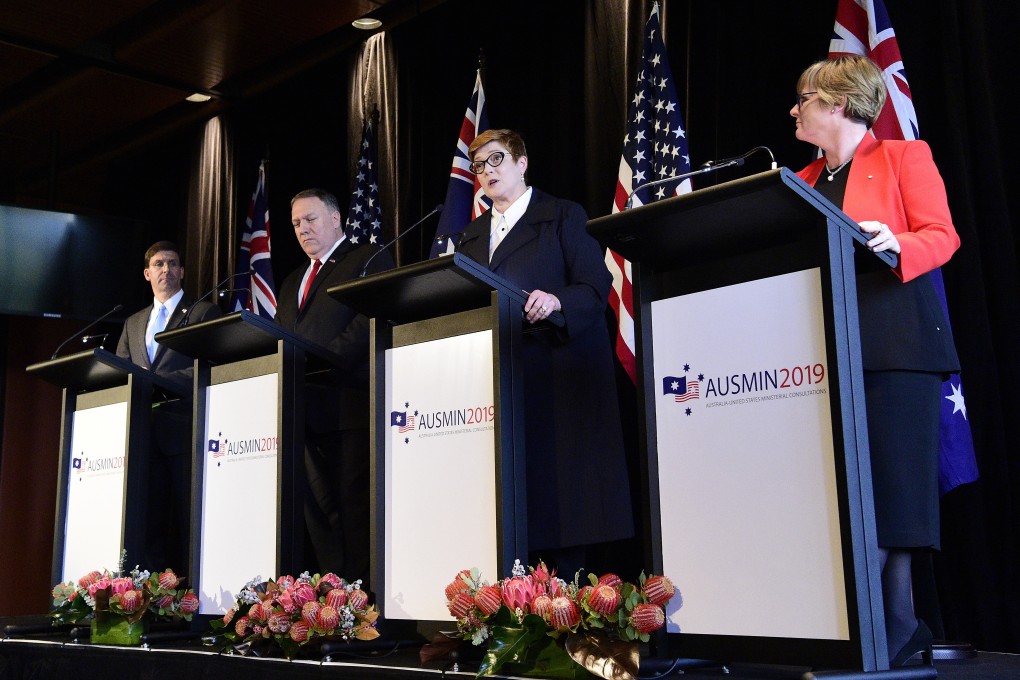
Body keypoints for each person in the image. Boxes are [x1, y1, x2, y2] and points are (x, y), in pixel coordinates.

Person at [790, 55, 961, 667]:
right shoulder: (800, 179)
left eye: (804, 99)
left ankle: (895, 624)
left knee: (894, 492)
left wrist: (898, 242)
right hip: (827, 350)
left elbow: (942, 233)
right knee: (846, 494)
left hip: (897, 346)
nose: (794, 109)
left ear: (837, 105)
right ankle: (872, 626)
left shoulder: (903, 157)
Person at [456, 129, 634, 576]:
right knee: (509, 505)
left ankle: (569, 612)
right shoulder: (470, 238)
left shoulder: (560, 216)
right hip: (500, 384)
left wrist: (556, 301)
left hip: (557, 380)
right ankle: (513, 609)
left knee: (562, 506)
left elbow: (595, 286)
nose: (487, 171)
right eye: (479, 165)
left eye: (497, 160)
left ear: (522, 162)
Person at [275, 188, 394, 585]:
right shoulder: (293, 278)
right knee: (320, 515)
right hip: (303, 410)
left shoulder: (367, 258)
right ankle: (332, 602)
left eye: (310, 219)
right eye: (296, 224)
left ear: (335, 218)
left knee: (354, 508)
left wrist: (323, 361)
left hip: (350, 407)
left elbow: (368, 320)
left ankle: (364, 603)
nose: (303, 229)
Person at [116, 240, 222, 570]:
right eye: (159, 264)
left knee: (188, 518)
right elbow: (121, 367)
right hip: (143, 435)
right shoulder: (133, 322)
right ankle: (151, 595)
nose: (166, 269)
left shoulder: (203, 312)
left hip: (185, 429)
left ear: (182, 272)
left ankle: (189, 594)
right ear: (147, 273)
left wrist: (157, 381)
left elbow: (209, 365)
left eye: (172, 263)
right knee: (148, 518)